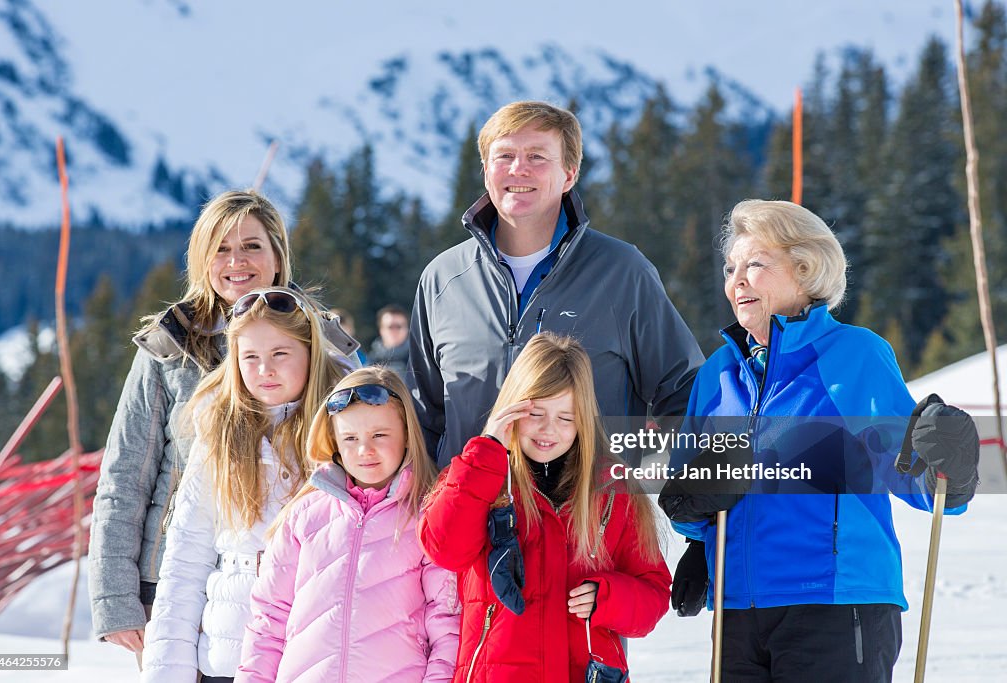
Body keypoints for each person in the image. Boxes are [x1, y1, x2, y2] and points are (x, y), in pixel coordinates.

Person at [658, 200, 980, 682]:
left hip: (834, 604)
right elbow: (694, 485)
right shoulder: (716, 375)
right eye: (731, 268)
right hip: (739, 610)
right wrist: (696, 539)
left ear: (805, 270)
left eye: (756, 265)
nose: (737, 280)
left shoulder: (854, 354)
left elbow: (912, 475)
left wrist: (946, 470)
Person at [407, 100, 703, 467]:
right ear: (486, 171)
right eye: (505, 156)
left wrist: (691, 494)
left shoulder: (622, 272)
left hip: (586, 516)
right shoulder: (443, 278)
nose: (519, 169)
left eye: (537, 156)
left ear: (569, 174)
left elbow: (686, 394)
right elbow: (423, 418)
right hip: (467, 515)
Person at [89, 190, 296, 655]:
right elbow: (124, 477)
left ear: (278, 258)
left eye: (252, 246)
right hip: (171, 581)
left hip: (281, 580)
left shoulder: (317, 341)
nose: (236, 261)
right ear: (202, 261)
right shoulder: (170, 348)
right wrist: (117, 600)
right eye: (220, 248)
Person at [419, 333, 671, 681]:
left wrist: (610, 598)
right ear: (511, 407)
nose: (548, 429)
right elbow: (444, 548)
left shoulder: (612, 489)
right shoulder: (477, 475)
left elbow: (653, 593)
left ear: (583, 420)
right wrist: (487, 449)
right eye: (535, 412)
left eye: (565, 418)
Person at [140, 287, 346, 682]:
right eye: (250, 357)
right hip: (229, 653)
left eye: (280, 354)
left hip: (317, 653)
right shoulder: (218, 433)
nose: (264, 369)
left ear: (311, 353)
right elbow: (186, 560)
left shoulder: (346, 431)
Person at [236, 367, 460, 683]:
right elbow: (268, 618)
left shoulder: (427, 516)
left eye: (379, 435)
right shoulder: (304, 516)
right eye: (350, 438)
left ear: (407, 434)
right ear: (335, 443)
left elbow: (448, 624)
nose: (364, 450)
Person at [368, 304, 411, 376]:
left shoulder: (418, 359)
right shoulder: (370, 363)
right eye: (390, 327)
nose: (394, 331)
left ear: (407, 329)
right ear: (381, 330)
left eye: (398, 326)